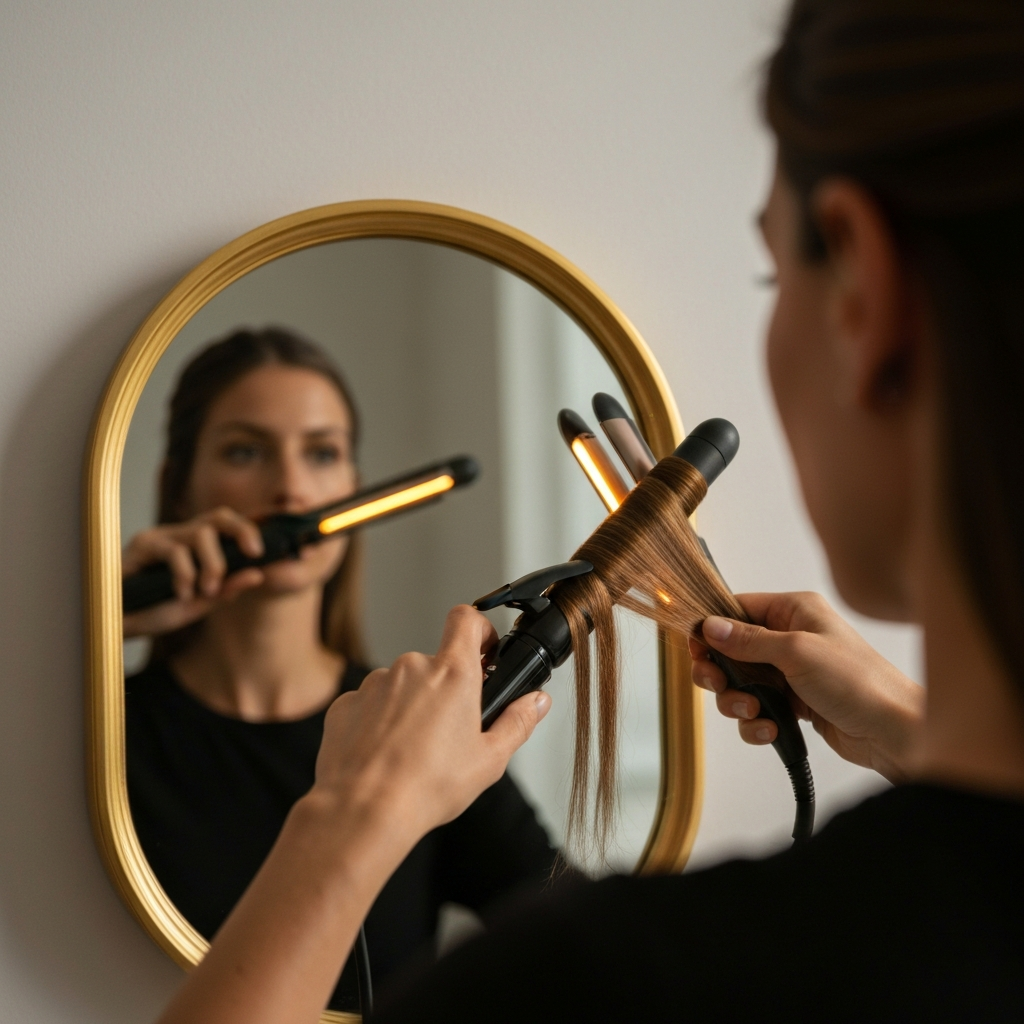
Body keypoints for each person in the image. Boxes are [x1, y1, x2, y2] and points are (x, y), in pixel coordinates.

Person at [155, 2, 1024, 1021]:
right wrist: (914, 738)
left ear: (859, 292)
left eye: (769, 270)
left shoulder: (609, 984)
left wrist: (347, 816)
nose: (291, 491)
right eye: (246, 451)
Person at [122, 328, 559, 1012]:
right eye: (245, 451)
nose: (291, 488)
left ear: (355, 490)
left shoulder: (408, 731)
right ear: (180, 489)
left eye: (321, 453)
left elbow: (573, 939)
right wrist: (93, 619)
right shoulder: (98, 733)